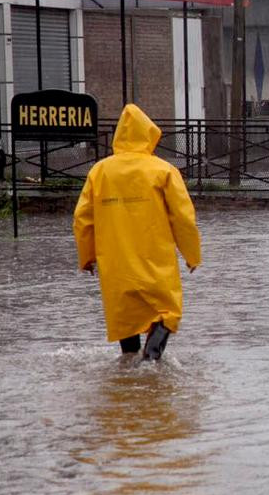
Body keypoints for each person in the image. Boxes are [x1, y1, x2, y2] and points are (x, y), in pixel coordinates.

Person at [74, 104, 201, 361]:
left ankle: (129, 375)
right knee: (167, 311)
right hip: (155, 261)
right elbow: (183, 218)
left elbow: (82, 218)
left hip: (116, 263)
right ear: (148, 135)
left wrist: (86, 257)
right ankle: (152, 358)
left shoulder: (99, 172)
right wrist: (192, 254)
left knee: (125, 318)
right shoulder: (163, 171)